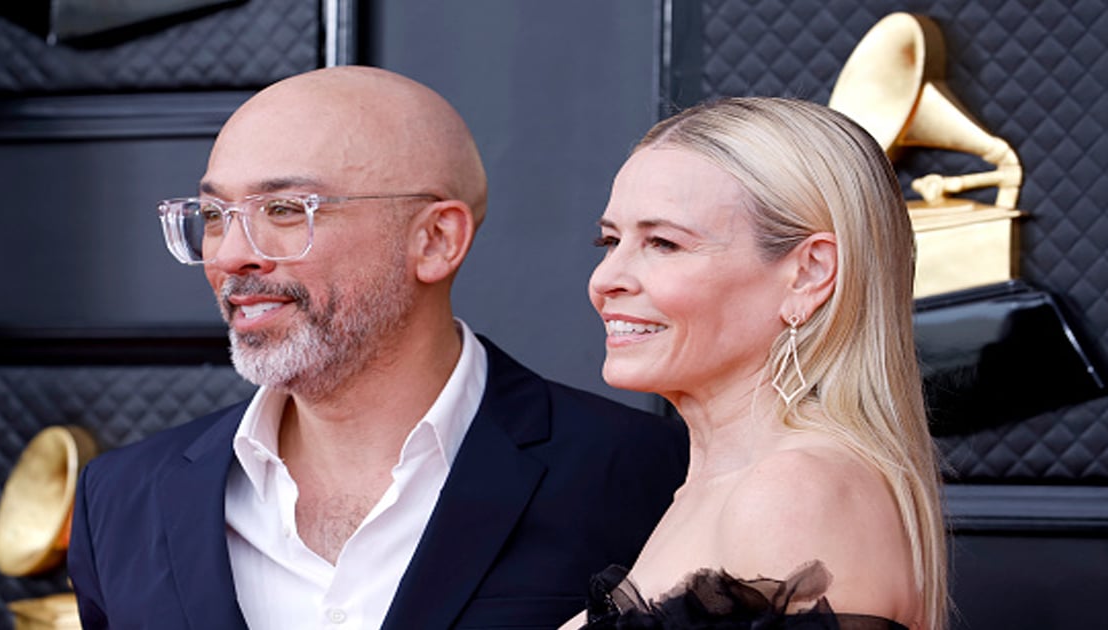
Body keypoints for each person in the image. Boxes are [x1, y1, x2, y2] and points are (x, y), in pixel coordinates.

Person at [67, 66, 688, 630]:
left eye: (284, 209)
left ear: (436, 240)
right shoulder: (120, 499)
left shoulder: (647, 476)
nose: (229, 254)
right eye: (212, 213)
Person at [565, 97, 947, 629]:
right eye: (609, 240)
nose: (605, 280)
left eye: (664, 243)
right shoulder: (719, 486)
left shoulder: (792, 491)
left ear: (810, 273)